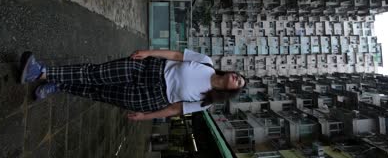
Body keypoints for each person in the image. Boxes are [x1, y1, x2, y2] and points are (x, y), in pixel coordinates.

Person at [20, 49, 247, 121]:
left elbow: (174, 109)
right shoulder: (206, 62)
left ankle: (59, 85)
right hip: (149, 70)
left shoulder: (206, 102)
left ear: (230, 91)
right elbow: (177, 54)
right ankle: (41, 72)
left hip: (152, 97)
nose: (236, 78)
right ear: (230, 73)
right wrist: (149, 51)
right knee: (96, 73)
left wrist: (144, 116)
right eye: (238, 75)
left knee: (98, 92)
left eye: (238, 83)